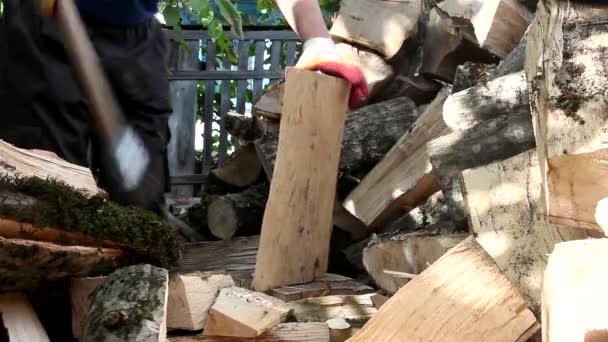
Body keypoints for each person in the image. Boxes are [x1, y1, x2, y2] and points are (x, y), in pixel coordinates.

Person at [0, 0, 368, 216]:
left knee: (140, 197)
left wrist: (317, 38)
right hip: (44, 28)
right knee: (44, 189)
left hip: (136, 34)